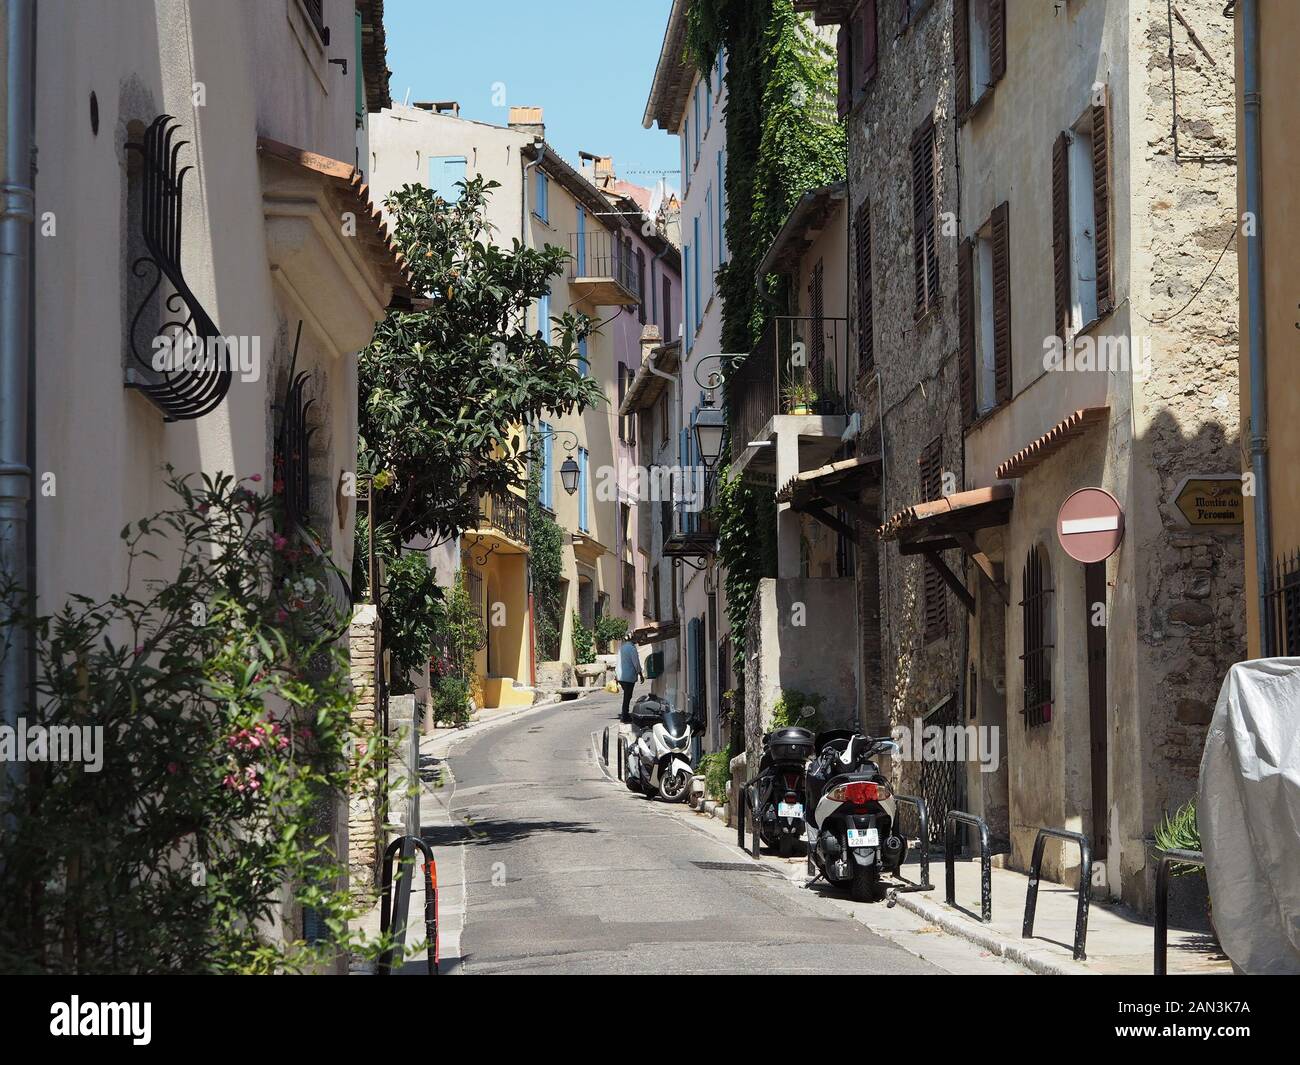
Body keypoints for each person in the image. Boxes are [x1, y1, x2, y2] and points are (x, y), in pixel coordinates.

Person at [616, 637, 644, 723]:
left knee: (627, 695)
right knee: (627, 696)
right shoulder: (632, 649)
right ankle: (625, 716)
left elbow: (618, 662)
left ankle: (625, 714)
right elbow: (636, 663)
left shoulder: (622, 648)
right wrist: (640, 674)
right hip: (628, 677)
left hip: (621, 676)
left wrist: (616, 675)